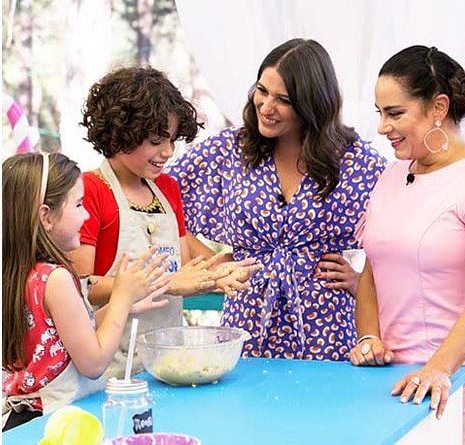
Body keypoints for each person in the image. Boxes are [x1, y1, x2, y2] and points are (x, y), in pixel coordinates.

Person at [166, 38, 387, 361]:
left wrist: (359, 283)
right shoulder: (229, 150)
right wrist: (212, 268)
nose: (266, 106)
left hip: (326, 325)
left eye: (283, 99)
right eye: (262, 90)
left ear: (311, 104)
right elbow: (160, 199)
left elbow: (403, 225)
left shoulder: (353, 160)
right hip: (247, 319)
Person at [72, 66, 260, 378]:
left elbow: (184, 268)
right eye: (157, 140)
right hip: (107, 365)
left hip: (163, 363)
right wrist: (168, 284)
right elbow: (80, 288)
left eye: (172, 140)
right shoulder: (90, 190)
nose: (168, 152)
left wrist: (219, 272)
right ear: (120, 134)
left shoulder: (168, 189)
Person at [1, 152, 171, 431]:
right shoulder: (54, 279)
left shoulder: (25, 272)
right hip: (56, 422)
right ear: (46, 215)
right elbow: (93, 362)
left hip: (25, 419)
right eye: (79, 205)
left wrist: (123, 305)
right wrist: (122, 296)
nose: (86, 215)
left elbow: (70, 334)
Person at [352, 45, 465, 420]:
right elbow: (373, 269)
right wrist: (369, 338)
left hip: (451, 385)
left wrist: (440, 368)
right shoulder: (391, 175)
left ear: (439, 108)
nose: (383, 127)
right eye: (380, 113)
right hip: (393, 387)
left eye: (394, 113)